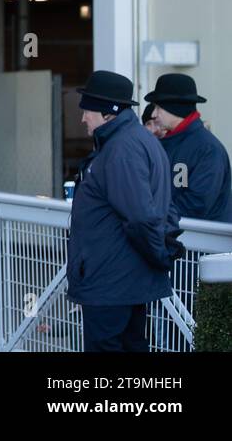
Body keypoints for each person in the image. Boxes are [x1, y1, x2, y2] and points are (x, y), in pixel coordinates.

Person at [66, 70, 181, 352]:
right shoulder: (138, 141)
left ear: (108, 113)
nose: (83, 118)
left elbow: (139, 217)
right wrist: (159, 252)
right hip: (125, 280)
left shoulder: (121, 149)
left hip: (111, 284)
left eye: (87, 111)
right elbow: (163, 208)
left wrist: (159, 254)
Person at [146, 73, 232, 223]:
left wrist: (154, 216)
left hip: (202, 236)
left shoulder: (208, 149)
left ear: (175, 108)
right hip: (171, 230)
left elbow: (197, 204)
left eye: (159, 108)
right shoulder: (163, 142)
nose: (153, 114)